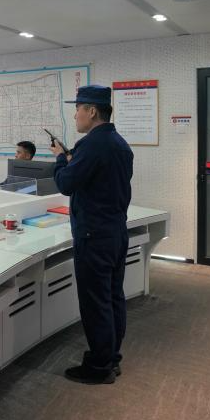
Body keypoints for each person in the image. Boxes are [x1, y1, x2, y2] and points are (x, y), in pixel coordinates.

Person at [50, 85, 133, 385]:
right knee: (113, 297)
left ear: (92, 111)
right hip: (115, 232)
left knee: (95, 303)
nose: (75, 115)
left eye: (78, 109)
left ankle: (99, 367)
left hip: (93, 236)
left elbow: (66, 184)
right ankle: (111, 358)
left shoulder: (92, 145)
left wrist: (61, 159)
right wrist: (74, 159)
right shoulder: (119, 143)